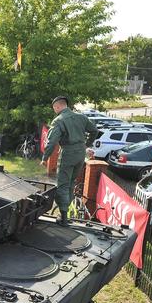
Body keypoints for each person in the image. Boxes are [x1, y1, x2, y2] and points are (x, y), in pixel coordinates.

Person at [41, 96, 98, 226]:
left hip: (68, 153)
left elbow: (51, 142)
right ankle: (66, 212)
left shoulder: (58, 121)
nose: (54, 110)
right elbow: (94, 131)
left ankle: (63, 216)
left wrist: (45, 158)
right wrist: (87, 144)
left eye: (54, 108)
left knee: (63, 184)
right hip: (80, 154)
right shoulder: (81, 117)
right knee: (72, 182)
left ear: (57, 107)